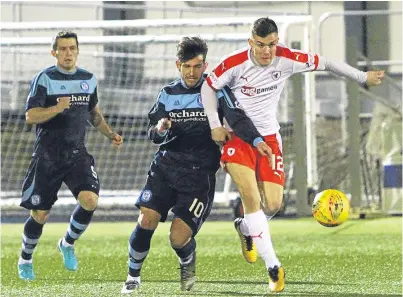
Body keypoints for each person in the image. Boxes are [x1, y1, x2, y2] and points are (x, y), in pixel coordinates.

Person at [201, 17, 385, 293]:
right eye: (261, 45)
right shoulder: (235, 63)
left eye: (272, 44)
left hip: (270, 139)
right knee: (250, 197)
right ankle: (274, 267)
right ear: (251, 42)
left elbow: (326, 62)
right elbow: (208, 87)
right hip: (237, 138)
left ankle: (246, 228)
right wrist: (215, 124)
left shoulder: (287, 58)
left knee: (273, 205)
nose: (267, 51)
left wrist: (362, 77)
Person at [120, 36, 266, 294]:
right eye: (186, 66)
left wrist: (256, 139)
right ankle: (133, 277)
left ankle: (187, 260)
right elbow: (153, 134)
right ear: (178, 65)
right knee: (146, 220)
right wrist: (161, 128)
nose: (191, 72)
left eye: (197, 66)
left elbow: (237, 118)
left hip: (199, 177)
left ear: (205, 65)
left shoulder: (218, 91)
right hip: (165, 169)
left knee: (178, 238)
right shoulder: (167, 94)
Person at [17, 30, 123, 281]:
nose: (67, 53)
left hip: (76, 154)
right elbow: (31, 117)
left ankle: (67, 243)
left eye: (72, 48)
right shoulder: (45, 78)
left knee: (90, 200)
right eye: (62, 49)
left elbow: (94, 114)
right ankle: (25, 258)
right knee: (40, 214)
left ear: (77, 50)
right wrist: (57, 107)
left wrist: (110, 134)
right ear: (54, 52)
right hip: (48, 156)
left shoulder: (88, 78)